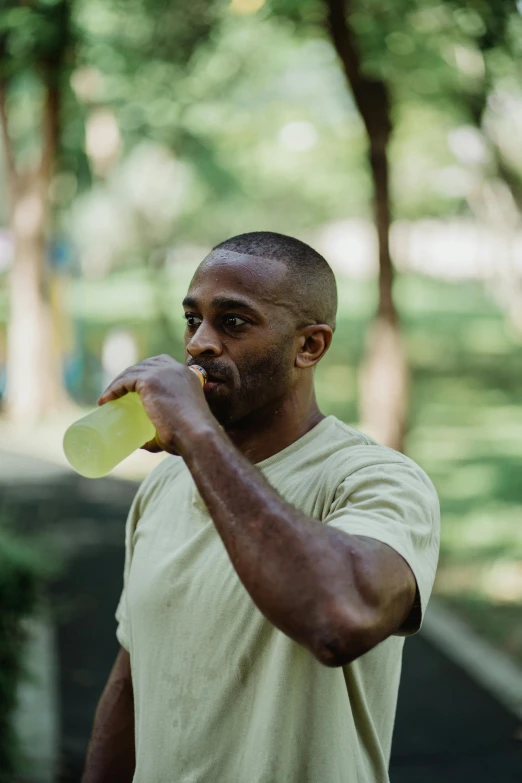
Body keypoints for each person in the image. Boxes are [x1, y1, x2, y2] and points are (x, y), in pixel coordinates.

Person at [82, 231, 440, 783]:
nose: (200, 342)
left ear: (309, 346)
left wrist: (196, 432)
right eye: (192, 319)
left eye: (233, 322)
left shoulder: (377, 480)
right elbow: (133, 679)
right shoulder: (164, 485)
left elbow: (339, 619)